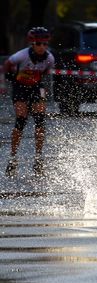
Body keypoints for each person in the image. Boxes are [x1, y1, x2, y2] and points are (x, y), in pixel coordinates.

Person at [4, 27, 55, 177]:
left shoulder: (49, 58)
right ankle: (13, 158)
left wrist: (38, 82)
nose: (42, 47)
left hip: (36, 87)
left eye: (45, 44)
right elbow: (7, 64)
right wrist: (10, 77)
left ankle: (38, 158)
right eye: (39, 44)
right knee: (21, 120)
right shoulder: (21, 56)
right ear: (32, 43)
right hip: (20, 87)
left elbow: (46, 72)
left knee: (40, 121)